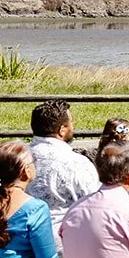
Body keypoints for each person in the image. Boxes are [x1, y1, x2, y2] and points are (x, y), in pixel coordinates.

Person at [28, 99, 101, 235]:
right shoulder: (77, 163)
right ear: (62, 130)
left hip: (21, 239)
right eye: (71, 123)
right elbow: (94, 203)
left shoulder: (17, 158)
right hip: (64, 240)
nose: (73, 127)